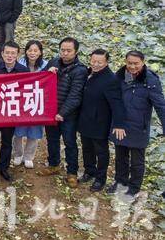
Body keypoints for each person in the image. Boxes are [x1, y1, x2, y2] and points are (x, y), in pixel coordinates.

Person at [109, 51, 165, 196]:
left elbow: (160, 105)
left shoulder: (150, 80)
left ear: (143, 62)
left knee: (137, 161)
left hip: (139, 126)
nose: (132, 66)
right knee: (121, 156)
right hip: (121, 124)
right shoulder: (120, 76)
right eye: (129, 63)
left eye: (136, 63)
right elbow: (114, 99)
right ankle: (120, 181)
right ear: (125, 62)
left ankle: (134, 188)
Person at [38, 37, 87, 188]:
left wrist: (63, 113)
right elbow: (42, 82)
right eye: (62, 50)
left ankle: (72, 172)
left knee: (70, 143)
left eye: (69, 51)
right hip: (51, 112)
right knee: (52, 140)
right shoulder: (53, 63)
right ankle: (53, 164)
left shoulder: (81, 70)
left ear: (76, 51)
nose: (65, 53)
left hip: (68, 115)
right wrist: (48, 73)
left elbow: (75, 95)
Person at [78, 49, 124, 192]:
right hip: (85, 119)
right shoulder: (88, 73)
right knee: (86, 148)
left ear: (106, 62)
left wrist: (118, 124)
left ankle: (100, 178)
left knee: (101, 151)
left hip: (100, 122)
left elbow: (117, 104)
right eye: (93, 61)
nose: (96, 64)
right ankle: (89, 171)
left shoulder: (111, 79)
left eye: (100, 62)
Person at [0, 41, 28, 183]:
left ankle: (3, 167)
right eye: (7, 53)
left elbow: (27, 90)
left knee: (7, 141)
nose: (10, 56)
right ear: (2, 54)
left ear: (17, 55)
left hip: (11, 112)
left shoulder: (23, 70)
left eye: (13, 53)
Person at [13, 40, 48, 168]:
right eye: (30, 50)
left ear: (40, 52)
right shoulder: (20, 64)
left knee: (34, 130)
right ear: (26, 51)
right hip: (21, 101)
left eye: (35, 50)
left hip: (37, 102)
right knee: (17, 130)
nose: (32, 53)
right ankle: (17, 154)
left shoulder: (46, 65)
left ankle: (29, 156)